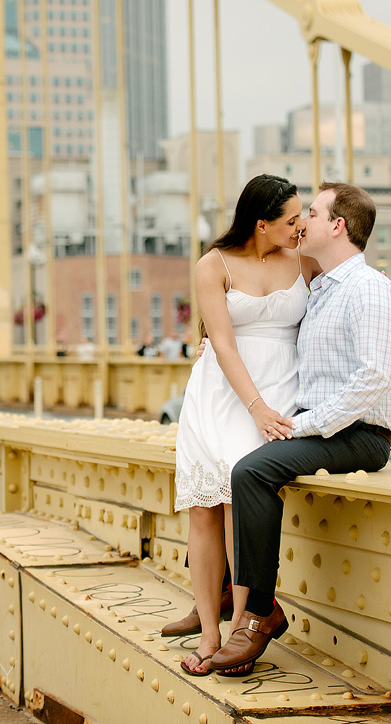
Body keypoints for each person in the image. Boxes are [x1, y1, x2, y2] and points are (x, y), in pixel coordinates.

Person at [209, 182, 391, 676]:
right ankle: (220, 596)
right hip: (325, 428)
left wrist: (308, 426)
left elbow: (376, 376)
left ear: (337, 226)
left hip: (360, 434)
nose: (302, 222)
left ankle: (257, 613)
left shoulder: (370, 288)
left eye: (312, 213)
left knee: (252, 472)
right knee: (234, 463)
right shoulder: (319, 291)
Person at [161, 174, 313, 678]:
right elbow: (222, 342)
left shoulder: (303, 259)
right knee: (204, 510)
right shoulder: (214, 264)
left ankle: (241, 633)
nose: (300, 226)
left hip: (280, 388)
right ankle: (209, 632)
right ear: (260, 223)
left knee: (237, 502)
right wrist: (256, 407)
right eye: (291, 219)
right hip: (223, 393)